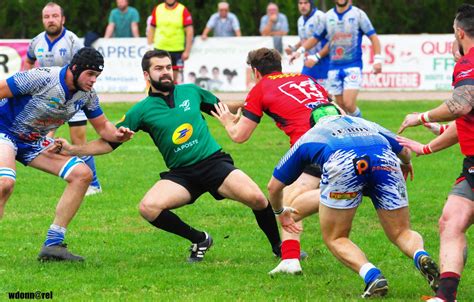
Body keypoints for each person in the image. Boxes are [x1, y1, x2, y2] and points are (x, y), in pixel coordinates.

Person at [54, 50, 282, 263]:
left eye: (168, 67)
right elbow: (108, 143)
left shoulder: (191, 91)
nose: (165, 72)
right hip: (182, 175)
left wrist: (255, 101)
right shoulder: (141, 110)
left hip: (214, 164)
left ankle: (281, 250)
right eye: (158, 68)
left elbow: (224, 108)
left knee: (259, 200)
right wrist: (72, 150)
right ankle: (200, 239)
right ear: (146, 74)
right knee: (148, 207)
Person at [266, 103, 440, 298]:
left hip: (344, 164)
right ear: (341, 113)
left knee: (336, 237)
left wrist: (280, 212)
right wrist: (406, 163)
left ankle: (372, 276)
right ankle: (420, 255)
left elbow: (273, 186)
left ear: (312, 124)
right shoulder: (365, 122)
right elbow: (405, 150)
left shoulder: (310, 135)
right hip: (385, 161)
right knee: (401, 232)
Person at [0, 47, 134, 261]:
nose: (93, 81)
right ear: (75, 68)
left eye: (97, 76)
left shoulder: (87, 95)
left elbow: (103, 128)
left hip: (33, 141)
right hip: (4, 130)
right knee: (4, 184)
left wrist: (118, 134)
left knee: (82, 175)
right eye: (90, 74)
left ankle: (53, 246)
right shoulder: (42, 77)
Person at [211, 47, 330, 275]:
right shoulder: (306, 79)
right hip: (336, 137)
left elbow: (240, 136)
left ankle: (344, 194)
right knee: (290, 198)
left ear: (255, 72)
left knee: (286, 199)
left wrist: (227, 122)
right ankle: (290, 259)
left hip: (310, 145)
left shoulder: (260, 88)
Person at [397, 4, 474, 301]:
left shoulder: (467, 62)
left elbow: (463, 104)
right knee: (451, 221)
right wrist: (427, 147)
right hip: (470, 167)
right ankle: (445, 296)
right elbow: (465, 121)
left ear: (459, 32)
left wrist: (422, 117)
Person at [24, 2, 102, 196]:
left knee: (78, 140)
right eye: (46, 16)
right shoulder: (36, 42)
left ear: (62, 19)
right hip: (47, 101)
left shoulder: (72, 41)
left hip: (73, 98)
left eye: (54, 16)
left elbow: (86, 68)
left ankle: (93, 184)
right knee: (39, 137)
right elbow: (28, 61)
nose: (50, 20)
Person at [290, 0, 383, 117]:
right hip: (333, 67)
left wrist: (378, 60)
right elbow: (315, 38)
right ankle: (350, 132)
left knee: (348, 104)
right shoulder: (328, 16)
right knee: (340, 107)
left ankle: (364, 127)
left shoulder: (358, 14)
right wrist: (299, 51)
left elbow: (373, 37)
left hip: (353, 65)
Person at [285, 0, 329, 88]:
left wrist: (317, 56)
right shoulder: (300, 20)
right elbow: (304, 40)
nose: (303, 6)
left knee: (325, 96)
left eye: (305, 3)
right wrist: (294, 49)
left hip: (323, 62)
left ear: (311, 4)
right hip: (307, 63)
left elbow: (329, 40)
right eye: (300, 3)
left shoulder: (320, 16)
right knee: (304, 91)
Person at [148, 0, 193, 83]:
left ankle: (173, 93)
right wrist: (149, 44)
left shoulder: (182, 10)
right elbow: (152, 27)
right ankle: (159, 93)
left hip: (177, 48)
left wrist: (187, 51)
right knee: (158, 71)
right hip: (160, 47)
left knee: (174, 77)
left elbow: (189, 31)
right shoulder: (158, 9)